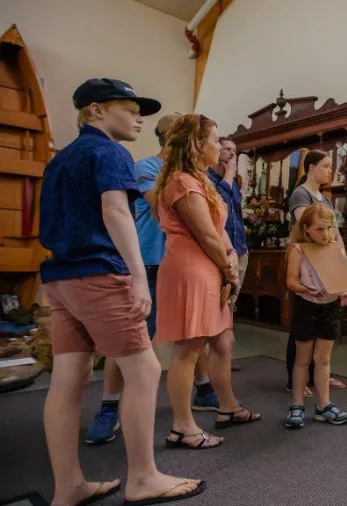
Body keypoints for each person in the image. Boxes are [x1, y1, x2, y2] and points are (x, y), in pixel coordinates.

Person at [39, 78, 203, 505]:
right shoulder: (110, 151)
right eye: (129, 109)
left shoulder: (60, 160)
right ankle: (144, 478)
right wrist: (136, 275)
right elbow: (115, 211)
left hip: (59, 277)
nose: (138, 117)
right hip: (98, 273)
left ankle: (69, 486)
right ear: (95, 111)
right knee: (145, 370)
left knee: (67, 380)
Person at [155, 114, 261, 450]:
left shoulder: (200, 180)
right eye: (215, 140)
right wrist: (230, 269)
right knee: (188, 350)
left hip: (211, 267)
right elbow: (204, 234)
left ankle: (227, 407)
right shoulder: (182, 182)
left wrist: (229, 255)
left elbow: (218, 232)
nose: (221, 147)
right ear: (197, 145)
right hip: (192, 269)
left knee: (223, 342)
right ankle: (183, 427)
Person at [283, 204, 347, 429]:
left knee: (323, 359)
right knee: (302, 360)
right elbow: (291, 281)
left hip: (330, 309)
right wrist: (307, 290)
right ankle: (297, 404)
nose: (325, 234)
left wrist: (343, 294)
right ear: (306, 229)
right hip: (306, 307)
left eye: (329, 228)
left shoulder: (336, 249)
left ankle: (324, 405)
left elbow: (338, 278)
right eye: (319, 229)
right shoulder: (298, 250)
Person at [285, 150, 347, 395]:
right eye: (325, 166)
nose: (330, 171)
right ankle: (295, 379)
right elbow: (307, 229)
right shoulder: (301, 194)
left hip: (326, 262)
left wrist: (340, 258)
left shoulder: (324, 197)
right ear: (311, 168)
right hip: (307, 264)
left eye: (331, 166)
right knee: (301, 329)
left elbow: (333, 232)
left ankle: (319, 375)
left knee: (323, 328)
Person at [207, 136, 247, 372]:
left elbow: (237, 210)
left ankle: (224, 353)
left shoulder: (233, 181)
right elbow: (219, 205)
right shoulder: (208, 178)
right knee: (218, 301)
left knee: (231, 301)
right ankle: (215, 354)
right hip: (220, 248)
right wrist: (230, 173)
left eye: (235, 149)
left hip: (239, 247)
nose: (232, 153)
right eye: (227, 149)